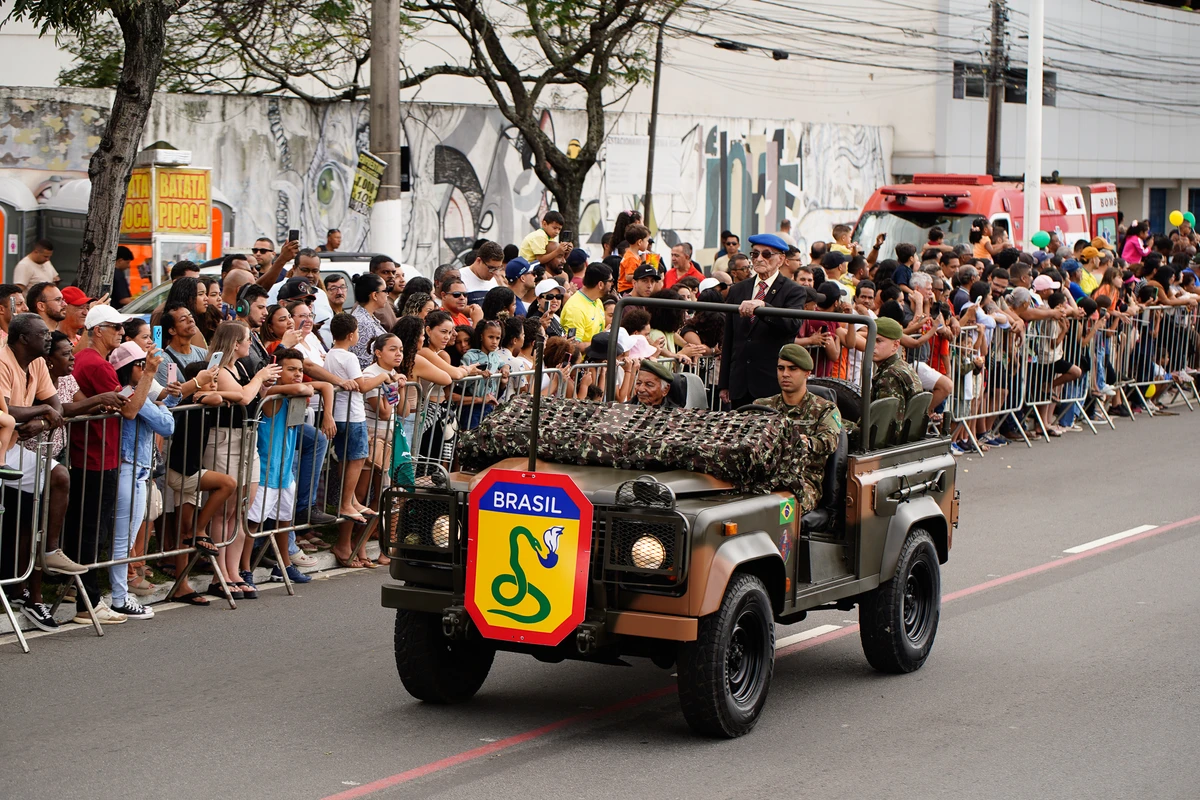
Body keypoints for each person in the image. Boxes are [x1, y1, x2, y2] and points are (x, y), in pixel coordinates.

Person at [65, 304, 158, 625]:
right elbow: (131, 410)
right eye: (114, 327)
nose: (121, 331)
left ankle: (85, 597)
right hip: (95, 457)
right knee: (90, 533)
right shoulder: (95, 363)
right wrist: (147, 374)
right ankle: (86, 602)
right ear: (97, 331)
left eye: (121, 327)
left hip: (95, 455)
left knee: (89, 531)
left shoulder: (90, 360)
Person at [105, 342, 175, 620]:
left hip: (135, 470)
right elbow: (166, 425)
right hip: (127, 469)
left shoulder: (138, 393)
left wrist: (164, 404)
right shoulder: (130, 393)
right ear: (128, 369)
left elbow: (161, 410)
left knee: (127, 536)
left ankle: (120, 594)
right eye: (139, 364)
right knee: (123, 538)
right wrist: (164, 409)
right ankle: (119, 597)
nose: (144, 368)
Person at [246, 348, 323, 585]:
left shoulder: (290, 396)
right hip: (266, 472)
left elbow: (310, 388)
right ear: (277, 371)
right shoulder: (270, 394)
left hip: (285, 473)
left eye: (301, 370)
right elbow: (303, 388)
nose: (298, 375)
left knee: (283, 522)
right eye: (291, 370)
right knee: (252, 524)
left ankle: (284, 566)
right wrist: (304, 386)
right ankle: (244, 569)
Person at [324, 314, 392, 559]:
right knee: (357, 457)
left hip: (340, 414)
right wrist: (384, 377)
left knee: (347, 459)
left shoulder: (330, 355)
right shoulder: (349, 356)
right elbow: (362, 386)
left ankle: (349, 500)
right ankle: (347, 502)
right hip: (352, 416)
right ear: (352, 334)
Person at [718, 233, 807, 407]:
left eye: (766, 254)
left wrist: (763, 307)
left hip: (772, 382)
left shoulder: (793, 291)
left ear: (781, 260)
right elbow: (729, 338)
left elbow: (792, 325)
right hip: (740, 383)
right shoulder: (738, 290)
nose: (759, 259)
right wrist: (725, 383)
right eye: (755, 254)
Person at [760, 344, 843, 514]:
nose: (785, 374)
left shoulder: (824, 409)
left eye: (793, 369)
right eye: (781, 368)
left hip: (803, 481)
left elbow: (829, 441)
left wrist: (804, 443)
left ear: (807, 373)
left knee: (775, 509)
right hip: (764, 477)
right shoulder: (762, 406)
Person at [871, 316, 923, 427]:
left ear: (895, 346)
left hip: (888, 441)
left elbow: (883, 426)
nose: (872, 345)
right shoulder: (902, 366)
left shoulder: (890, 375)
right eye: (870, 339)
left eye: (879, 341)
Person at [560, 263, 611, 348]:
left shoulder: (597, 301)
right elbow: (574, 346)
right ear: (600, 284)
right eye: (610, 281)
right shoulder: (575, 309)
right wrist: (601, 342)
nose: (612, 284)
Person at [617, 224, 652, 293]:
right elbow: (628, 277)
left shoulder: (634, 255)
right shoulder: (631, 258)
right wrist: (643, 275)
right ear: (639, 242)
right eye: (647, 240)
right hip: (627, 289)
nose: (648, 243)